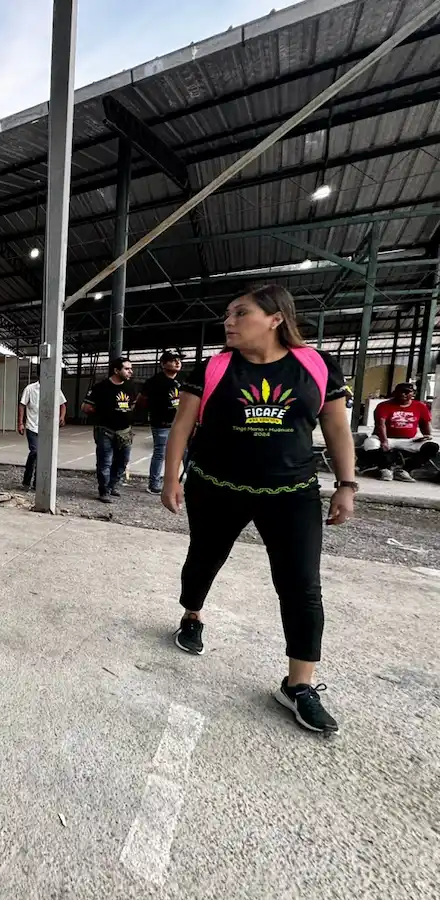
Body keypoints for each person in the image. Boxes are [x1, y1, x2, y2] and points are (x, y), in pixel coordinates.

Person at [161, 284, 356, 734]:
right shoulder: (213, 367)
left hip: (293, 493)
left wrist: (346, 484)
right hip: (217, 487)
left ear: (275, 319)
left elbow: (337, 428)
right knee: (204, 558)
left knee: (302, 583)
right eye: (227, 314)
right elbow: (182, 426)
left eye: (239, 313)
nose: (228, 322)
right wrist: (172, 478)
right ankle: (192, 615)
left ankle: (299, 685)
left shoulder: (317, 366)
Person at [82, 357, 136, 502]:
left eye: (130, 368)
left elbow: (133, 405)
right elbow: (85, 407)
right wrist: (102, 412)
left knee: (123, 460)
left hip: (125, 431)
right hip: (105, 430)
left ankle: (112, 486)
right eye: (127, 368)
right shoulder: (101, 387)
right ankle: (104, 490)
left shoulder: (131, 387)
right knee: (105, 461)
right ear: (116, 370)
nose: (130, 371)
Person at [364, 383, 435, 482]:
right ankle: (384, 468)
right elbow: (380, 425)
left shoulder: (420, 406)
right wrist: (384, 441)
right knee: (371, 443)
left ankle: (404, 470)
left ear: (413, 394)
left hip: (409, 440)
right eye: (400, 391)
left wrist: (427, 436)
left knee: (432, 446)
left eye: (406, 392)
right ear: (394, 393)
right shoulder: (383, 405)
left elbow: (424, 423)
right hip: (385, 437)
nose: (403, 394)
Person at [140, 350, 183, 494]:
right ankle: (154, 484)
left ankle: (183, 482)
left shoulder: (181, 381)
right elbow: (142, 400)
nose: (177, 362)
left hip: (180, 424)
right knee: (160, 453)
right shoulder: (154, 382)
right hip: (161, 424)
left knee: (185, 453)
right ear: (163, 364)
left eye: (179, 360)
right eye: (173, 360)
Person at [18, 378, 66, 490]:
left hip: (47, 428)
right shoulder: (30, 389)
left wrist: (62, 417)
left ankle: (37, 482)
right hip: (32, 426)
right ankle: (27, 480)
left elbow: (62, 404)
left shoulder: (55, 389)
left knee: (43, 455)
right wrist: (20, 423)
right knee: (35, 451)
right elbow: (22, 405)